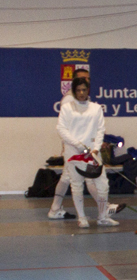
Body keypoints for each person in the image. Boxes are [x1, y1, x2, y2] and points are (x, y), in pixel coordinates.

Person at [55, 77, 118, 228]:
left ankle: (102, 217)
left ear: (88, 90)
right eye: (78, 90)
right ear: (74, 91)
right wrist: (78, 145)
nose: (81, 93)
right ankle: (81, 218)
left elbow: (100, 129)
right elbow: (61, 129)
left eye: (84, 89)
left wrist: (95, 149)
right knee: (77, 185)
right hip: (73, 152)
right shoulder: (67, 108)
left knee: (103, 186)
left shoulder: (96, 108)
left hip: (93, 153)